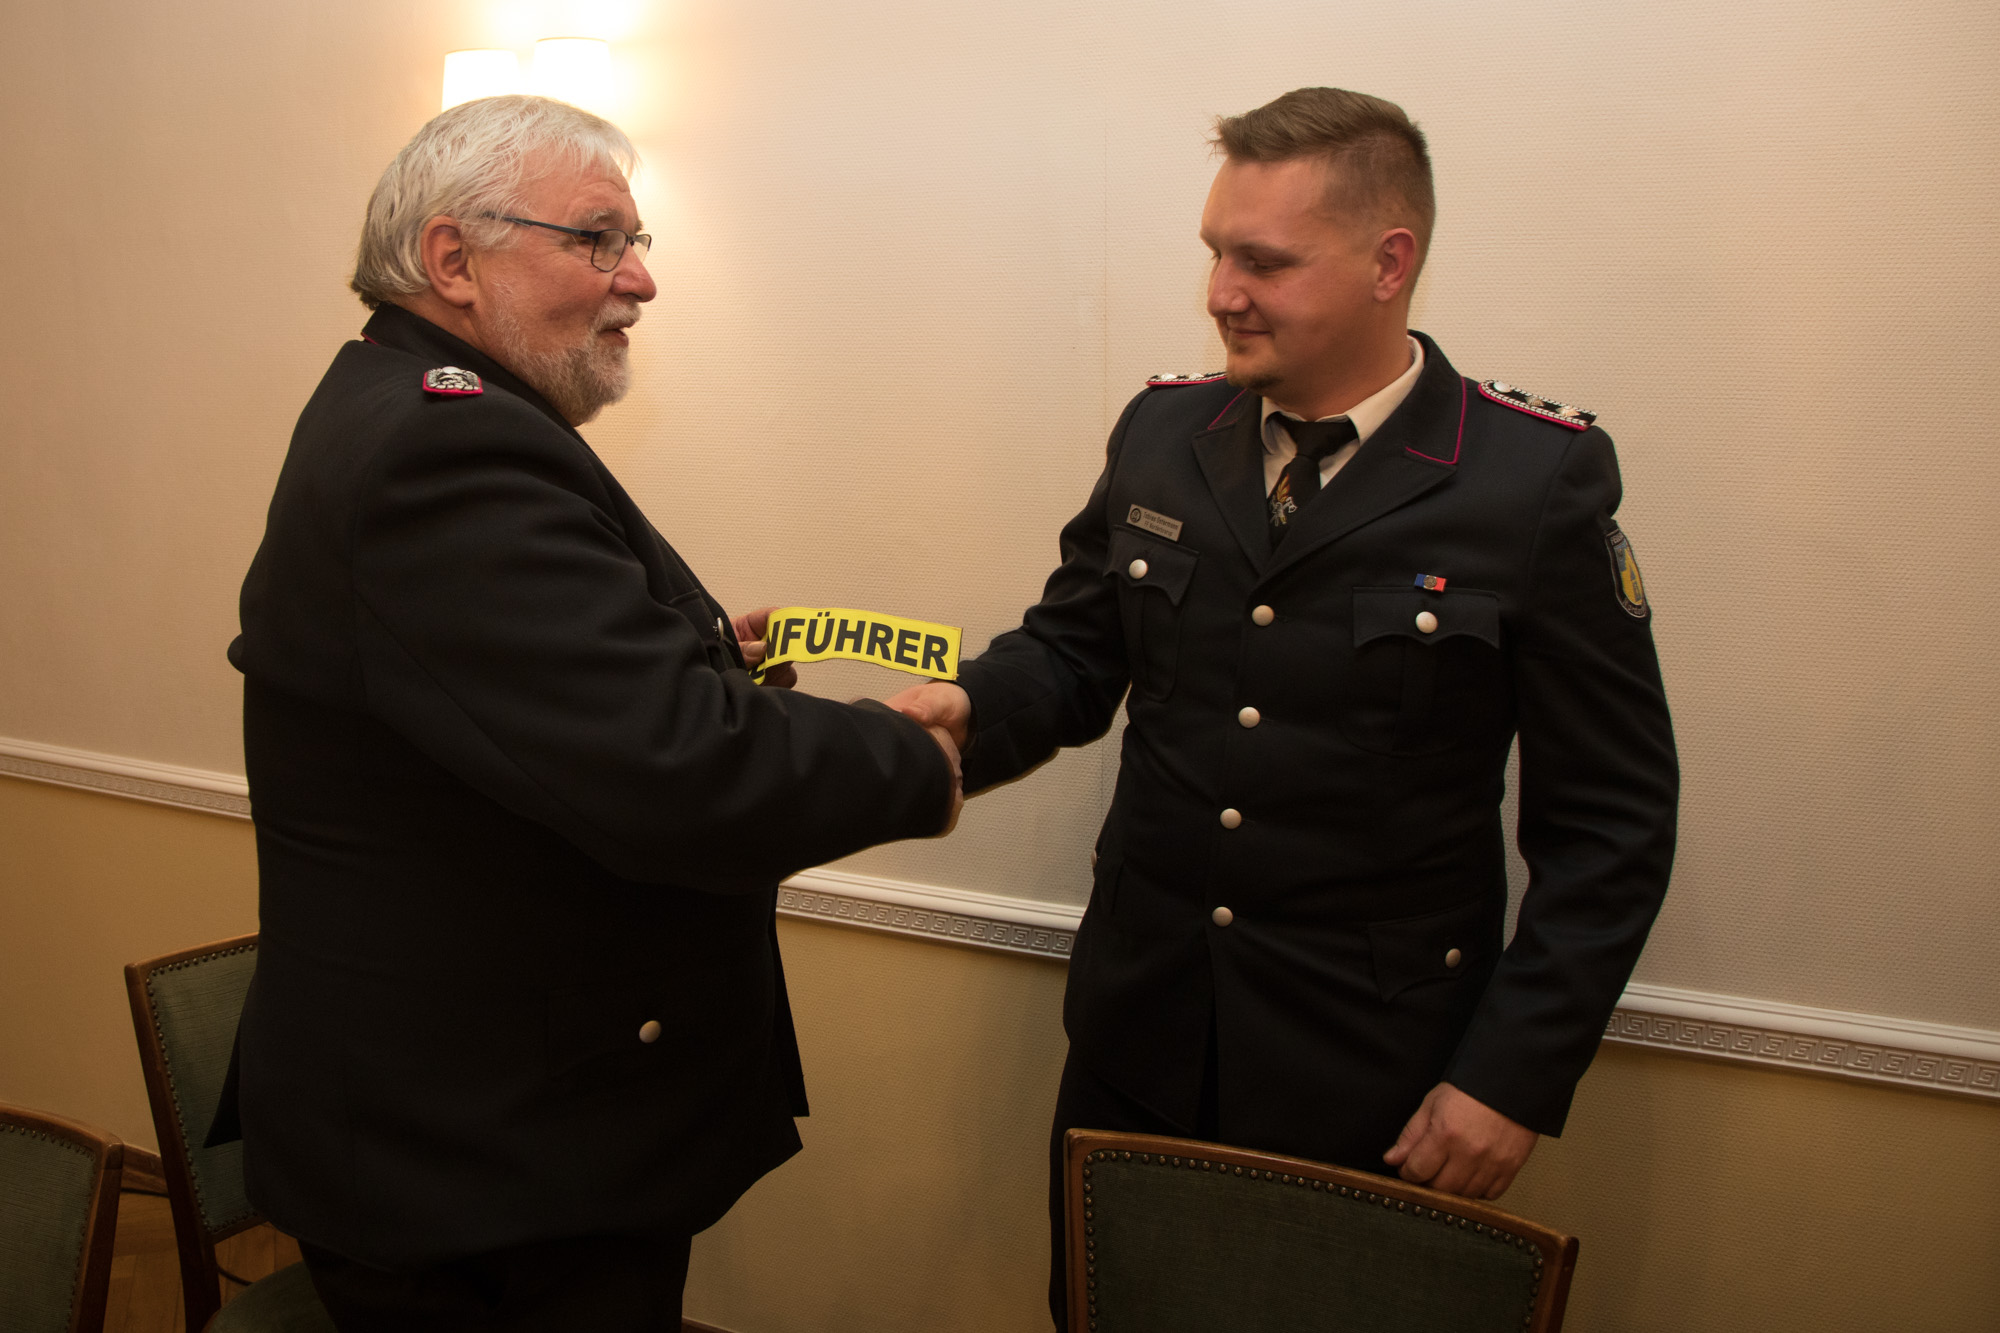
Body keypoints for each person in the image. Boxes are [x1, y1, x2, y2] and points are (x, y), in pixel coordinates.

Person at [888, 86, 1677, 1328]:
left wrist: (1509, 1078)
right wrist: (964, 710)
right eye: (1214, 252)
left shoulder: (1527, 478)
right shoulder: (1164, 430)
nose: (1220, 292)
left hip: (1371, 1070)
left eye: (1262, 261)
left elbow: (1609, 822)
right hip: (1139, 1036)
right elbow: (1074, 653)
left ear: (1387, 262)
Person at [222, 95, 962, 1330]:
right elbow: (673, 766)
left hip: (496, 1132)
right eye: (597, 239)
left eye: (636, 240)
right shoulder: (443, 447)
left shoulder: (425, 410)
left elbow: (503, 696)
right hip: (478, 1172)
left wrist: (690, 655)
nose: (640, 279)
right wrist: (913, 756)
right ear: (452, 258)